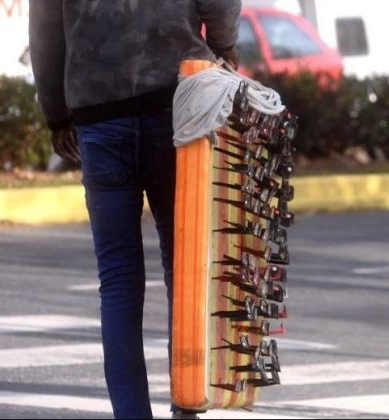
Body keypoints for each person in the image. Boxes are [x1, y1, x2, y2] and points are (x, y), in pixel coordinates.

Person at [29, 1, 241, 418]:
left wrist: (57, 116)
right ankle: (187, 403)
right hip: (179, 104)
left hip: (98, 114)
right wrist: (223, 45)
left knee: (119, 282)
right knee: (185, 270)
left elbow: (44, 33)